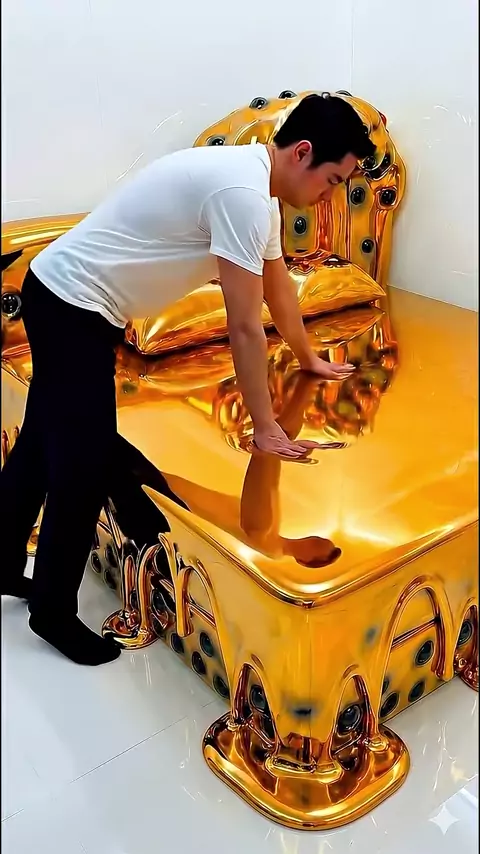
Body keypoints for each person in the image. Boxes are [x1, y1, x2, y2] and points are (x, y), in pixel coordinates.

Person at [0, 93, 376, 665]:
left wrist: (308, 358)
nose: (330, 196)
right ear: (302, 152)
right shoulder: (242, 195)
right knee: (84, 461)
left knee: (38, 443)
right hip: (72, 305)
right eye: (332, 180)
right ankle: (52, 612)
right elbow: (244, 327)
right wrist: (265, 426)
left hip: (67, 299)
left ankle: (4, 562)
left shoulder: (258, 195)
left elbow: (278, 289)